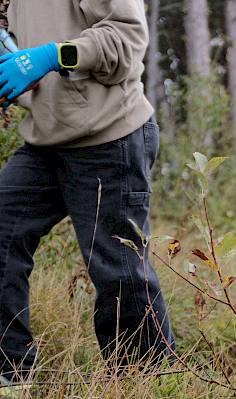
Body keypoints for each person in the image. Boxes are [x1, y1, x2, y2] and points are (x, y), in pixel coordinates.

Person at [0, 0, 174, 389]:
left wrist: (52, 56)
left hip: (110, 135)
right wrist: (16, 64)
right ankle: (9, 375)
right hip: (46, 142)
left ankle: (147, 383)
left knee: (118, 268)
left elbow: (128, 41)